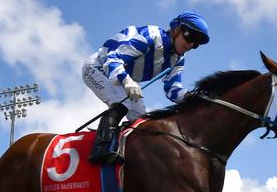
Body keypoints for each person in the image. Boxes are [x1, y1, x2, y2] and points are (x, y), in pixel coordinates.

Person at [82, 10, 210, 164]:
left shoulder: (178, 59)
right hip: (99, 68)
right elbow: (113, 58)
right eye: (190, 36)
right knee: (124, 104)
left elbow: (173, 90)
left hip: (122, 78)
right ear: (176, 29)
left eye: (196, 43)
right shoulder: (150, 36)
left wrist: (194, 98)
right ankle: (100, 150)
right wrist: (127, 81)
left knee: (142, 121)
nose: (191, 44)